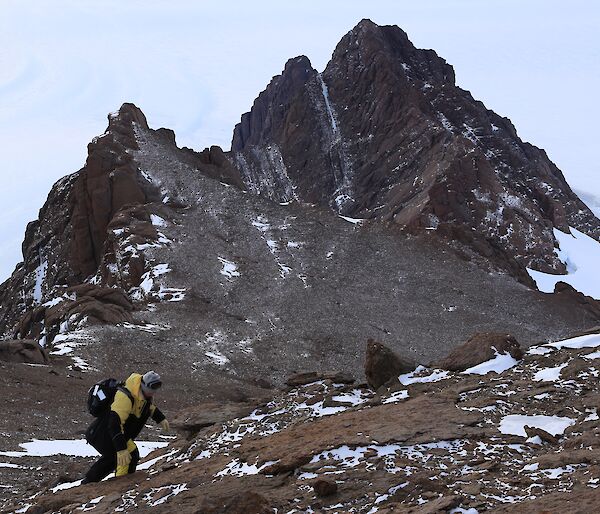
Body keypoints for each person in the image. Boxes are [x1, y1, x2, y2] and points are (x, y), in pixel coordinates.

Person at [83, 371, 169, 483]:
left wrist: (160, 418)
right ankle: (98, 484)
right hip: (102, 434)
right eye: (152, 388)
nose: (154, 392)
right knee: (116, 457)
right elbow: (114, 424)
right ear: (144, 385)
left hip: (118, 434)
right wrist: (121, 449)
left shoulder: (142, 396)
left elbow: (149, 407)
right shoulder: (125, 397)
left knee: (131, 455)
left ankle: (124, 484)